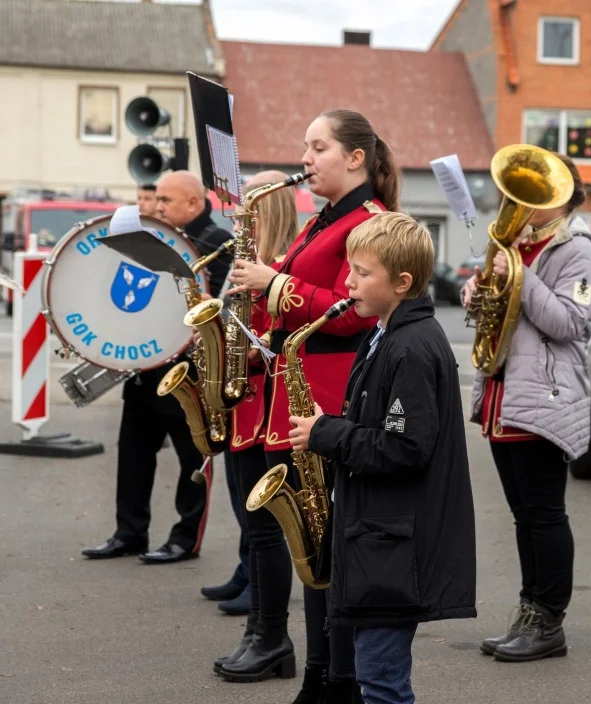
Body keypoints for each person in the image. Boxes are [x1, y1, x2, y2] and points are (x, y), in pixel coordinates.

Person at [227, 109, 398, 704]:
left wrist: (274, 285)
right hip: (297, 390)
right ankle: (320, 674)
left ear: (355, 158)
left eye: (317, 147)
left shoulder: (371, 222)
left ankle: (338, 679)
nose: (305, 158)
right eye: (305, 147)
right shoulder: (323, 219)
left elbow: (360, 310)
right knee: (312, 545)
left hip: (333, 394)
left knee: (329, 544)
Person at [287, 211, 477, 704]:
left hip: (394, 545)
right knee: (375, 676)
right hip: (381, 539)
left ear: (402, 281)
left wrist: (327, 433)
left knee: (382, 684)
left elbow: (406, 448)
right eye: (349, 270)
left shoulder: (410, 347)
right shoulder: (387, 335)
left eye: (361, 273)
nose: (347, 282)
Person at [461, 152, 591, 662]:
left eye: (537, 195)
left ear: (564, 195)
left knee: (544, 515)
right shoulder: (517, 242)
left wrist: (519, 276)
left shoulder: (579, 251)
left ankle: (549, 620)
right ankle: (529, 611)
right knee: (524, 516)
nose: (522, 204)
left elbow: (568, 324)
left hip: (545, 397)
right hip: (507, 394)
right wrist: (478, 291)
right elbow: (497, 312)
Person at [82, 171, 233, 564]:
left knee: (192, 458)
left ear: (193, 204)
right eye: (157, 199)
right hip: (146, 364)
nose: (157, 206)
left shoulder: (216, 241)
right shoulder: (154, 238)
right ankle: (129, 531)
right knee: (133, 452)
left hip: (187, 367)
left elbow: (217, 306)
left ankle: (186, 538)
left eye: (166, 200)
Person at [210, 170, 301, 682]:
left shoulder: (283, 264)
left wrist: (248, 350)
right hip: (245, 407)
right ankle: (259, 634)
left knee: (266, 534)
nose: (242, 213)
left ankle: (271, 637)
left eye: (251, 206)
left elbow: (287, 337)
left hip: (268, 408)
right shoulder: (249, 263)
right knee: (255, 530)